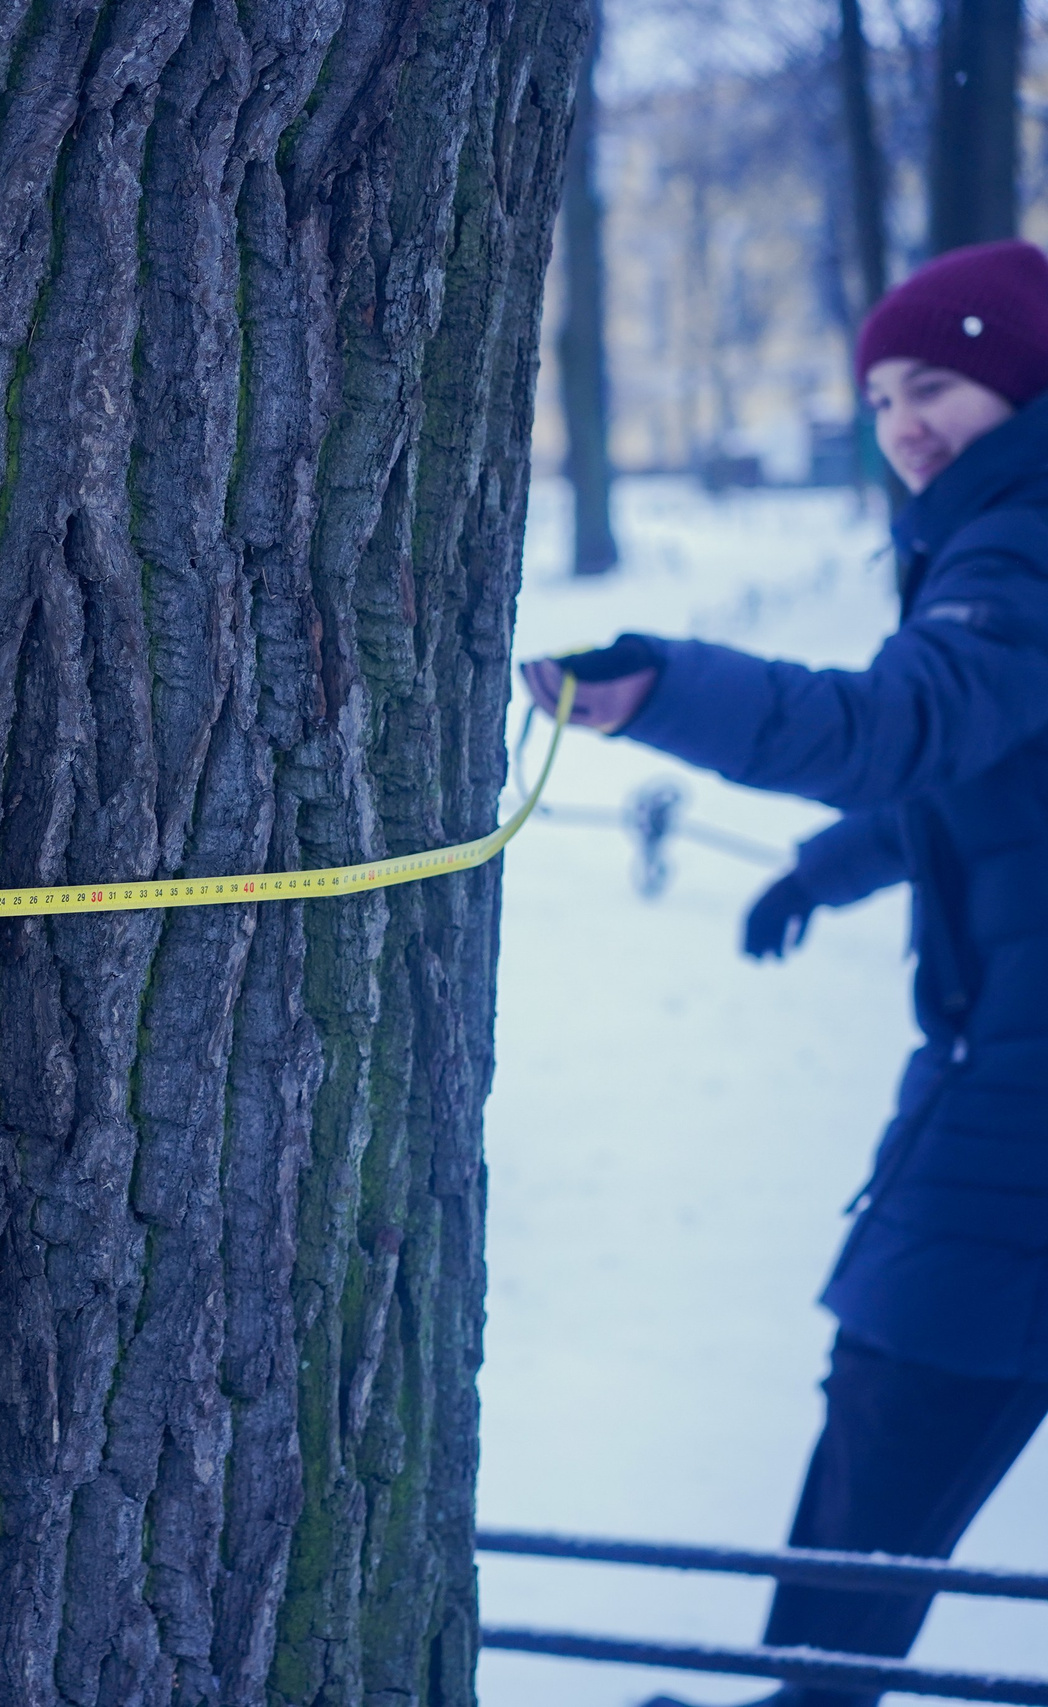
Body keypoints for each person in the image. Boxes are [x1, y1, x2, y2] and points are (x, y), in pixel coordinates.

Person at [521, 238, 1048, 1702]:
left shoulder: (1020, 540)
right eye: (879, 398)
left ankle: (814, 1694)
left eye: (933, 383)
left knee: (901, 1381)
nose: (902, 424)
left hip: (1019, 1112)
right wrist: (833, 867)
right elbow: (999, 764)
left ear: (1016, 377)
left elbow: (913, 723)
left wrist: (662, 690)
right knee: (901, 1390)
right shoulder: (1006, 530)